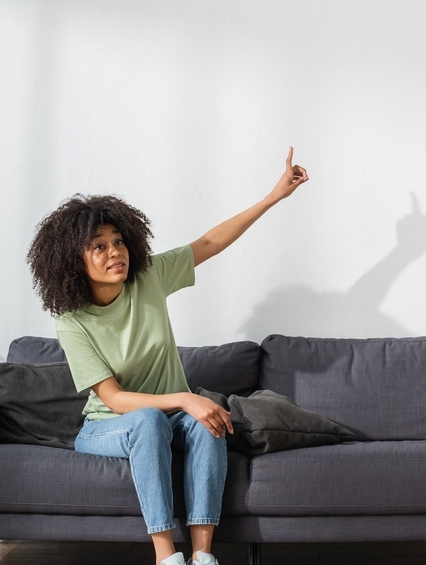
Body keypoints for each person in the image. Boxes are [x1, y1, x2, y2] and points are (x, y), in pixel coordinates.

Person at [26, 149, 309, 565]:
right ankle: (166, 557)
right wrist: (182, 397)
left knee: (207, 420)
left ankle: (202, 556)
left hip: (166, 417)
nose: (114, 252)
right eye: (99, 247)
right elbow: (115, 399)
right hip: (108, 425)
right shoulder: (73, 321)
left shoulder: (149, 278)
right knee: (148, 419)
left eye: (118, 242)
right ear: (74, 261)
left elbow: (210, 242)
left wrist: (273, 197)